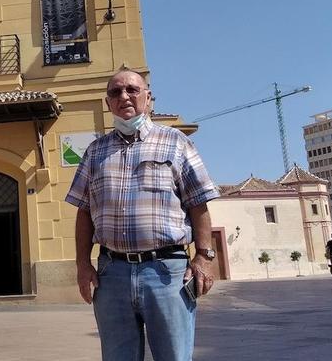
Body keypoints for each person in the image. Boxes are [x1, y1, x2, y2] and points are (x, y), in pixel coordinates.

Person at [65, 67, 220, 361]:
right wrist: (82, 265)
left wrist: (203, 257)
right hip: (112, 275)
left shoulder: (176, 142)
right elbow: (84, 212)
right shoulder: (95, 152)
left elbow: (199, 204)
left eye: (132, 90)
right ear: (108, 102)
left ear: (148, 98)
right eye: (115, 92)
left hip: (167, 272)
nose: (124, 96)